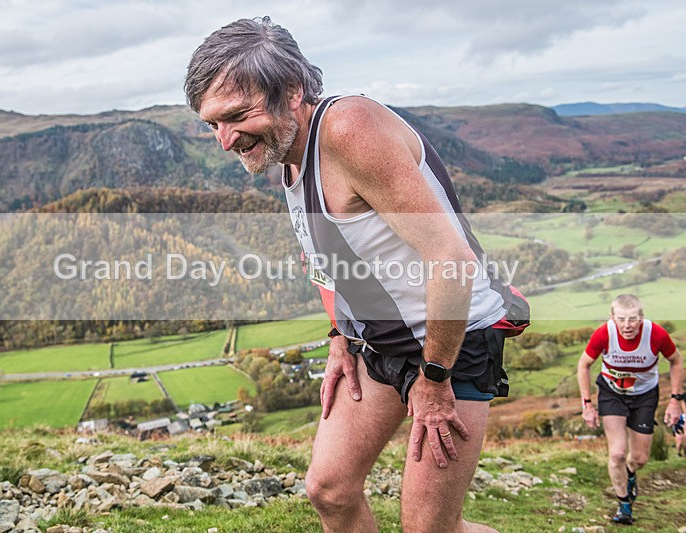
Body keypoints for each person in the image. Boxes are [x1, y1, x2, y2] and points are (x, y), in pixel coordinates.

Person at [185, 17, 517, 532]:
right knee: (330, 489)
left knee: (430, 529)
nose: (225, 140)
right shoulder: (286, 158)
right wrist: (339, 336)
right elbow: (325, 262)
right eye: (212, 125)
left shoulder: (348, 129)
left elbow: (452, 258)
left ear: (292, 90)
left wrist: (434, 379)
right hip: (377, 345)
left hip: (451, 344)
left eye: (236, 116)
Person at [577, 293, 683, 525]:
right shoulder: (604, 334)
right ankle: (624, 505)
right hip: (612, 393)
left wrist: (675, 400)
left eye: (633, 319)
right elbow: (584, 365)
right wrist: (587, 405)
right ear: (612, 318)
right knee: (617, 453)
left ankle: (631, 473)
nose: (627, 325)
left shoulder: (656, 334)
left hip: (645, 396)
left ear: (641, 318)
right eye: (622, 319)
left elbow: (676, 360)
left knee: (639, 458)